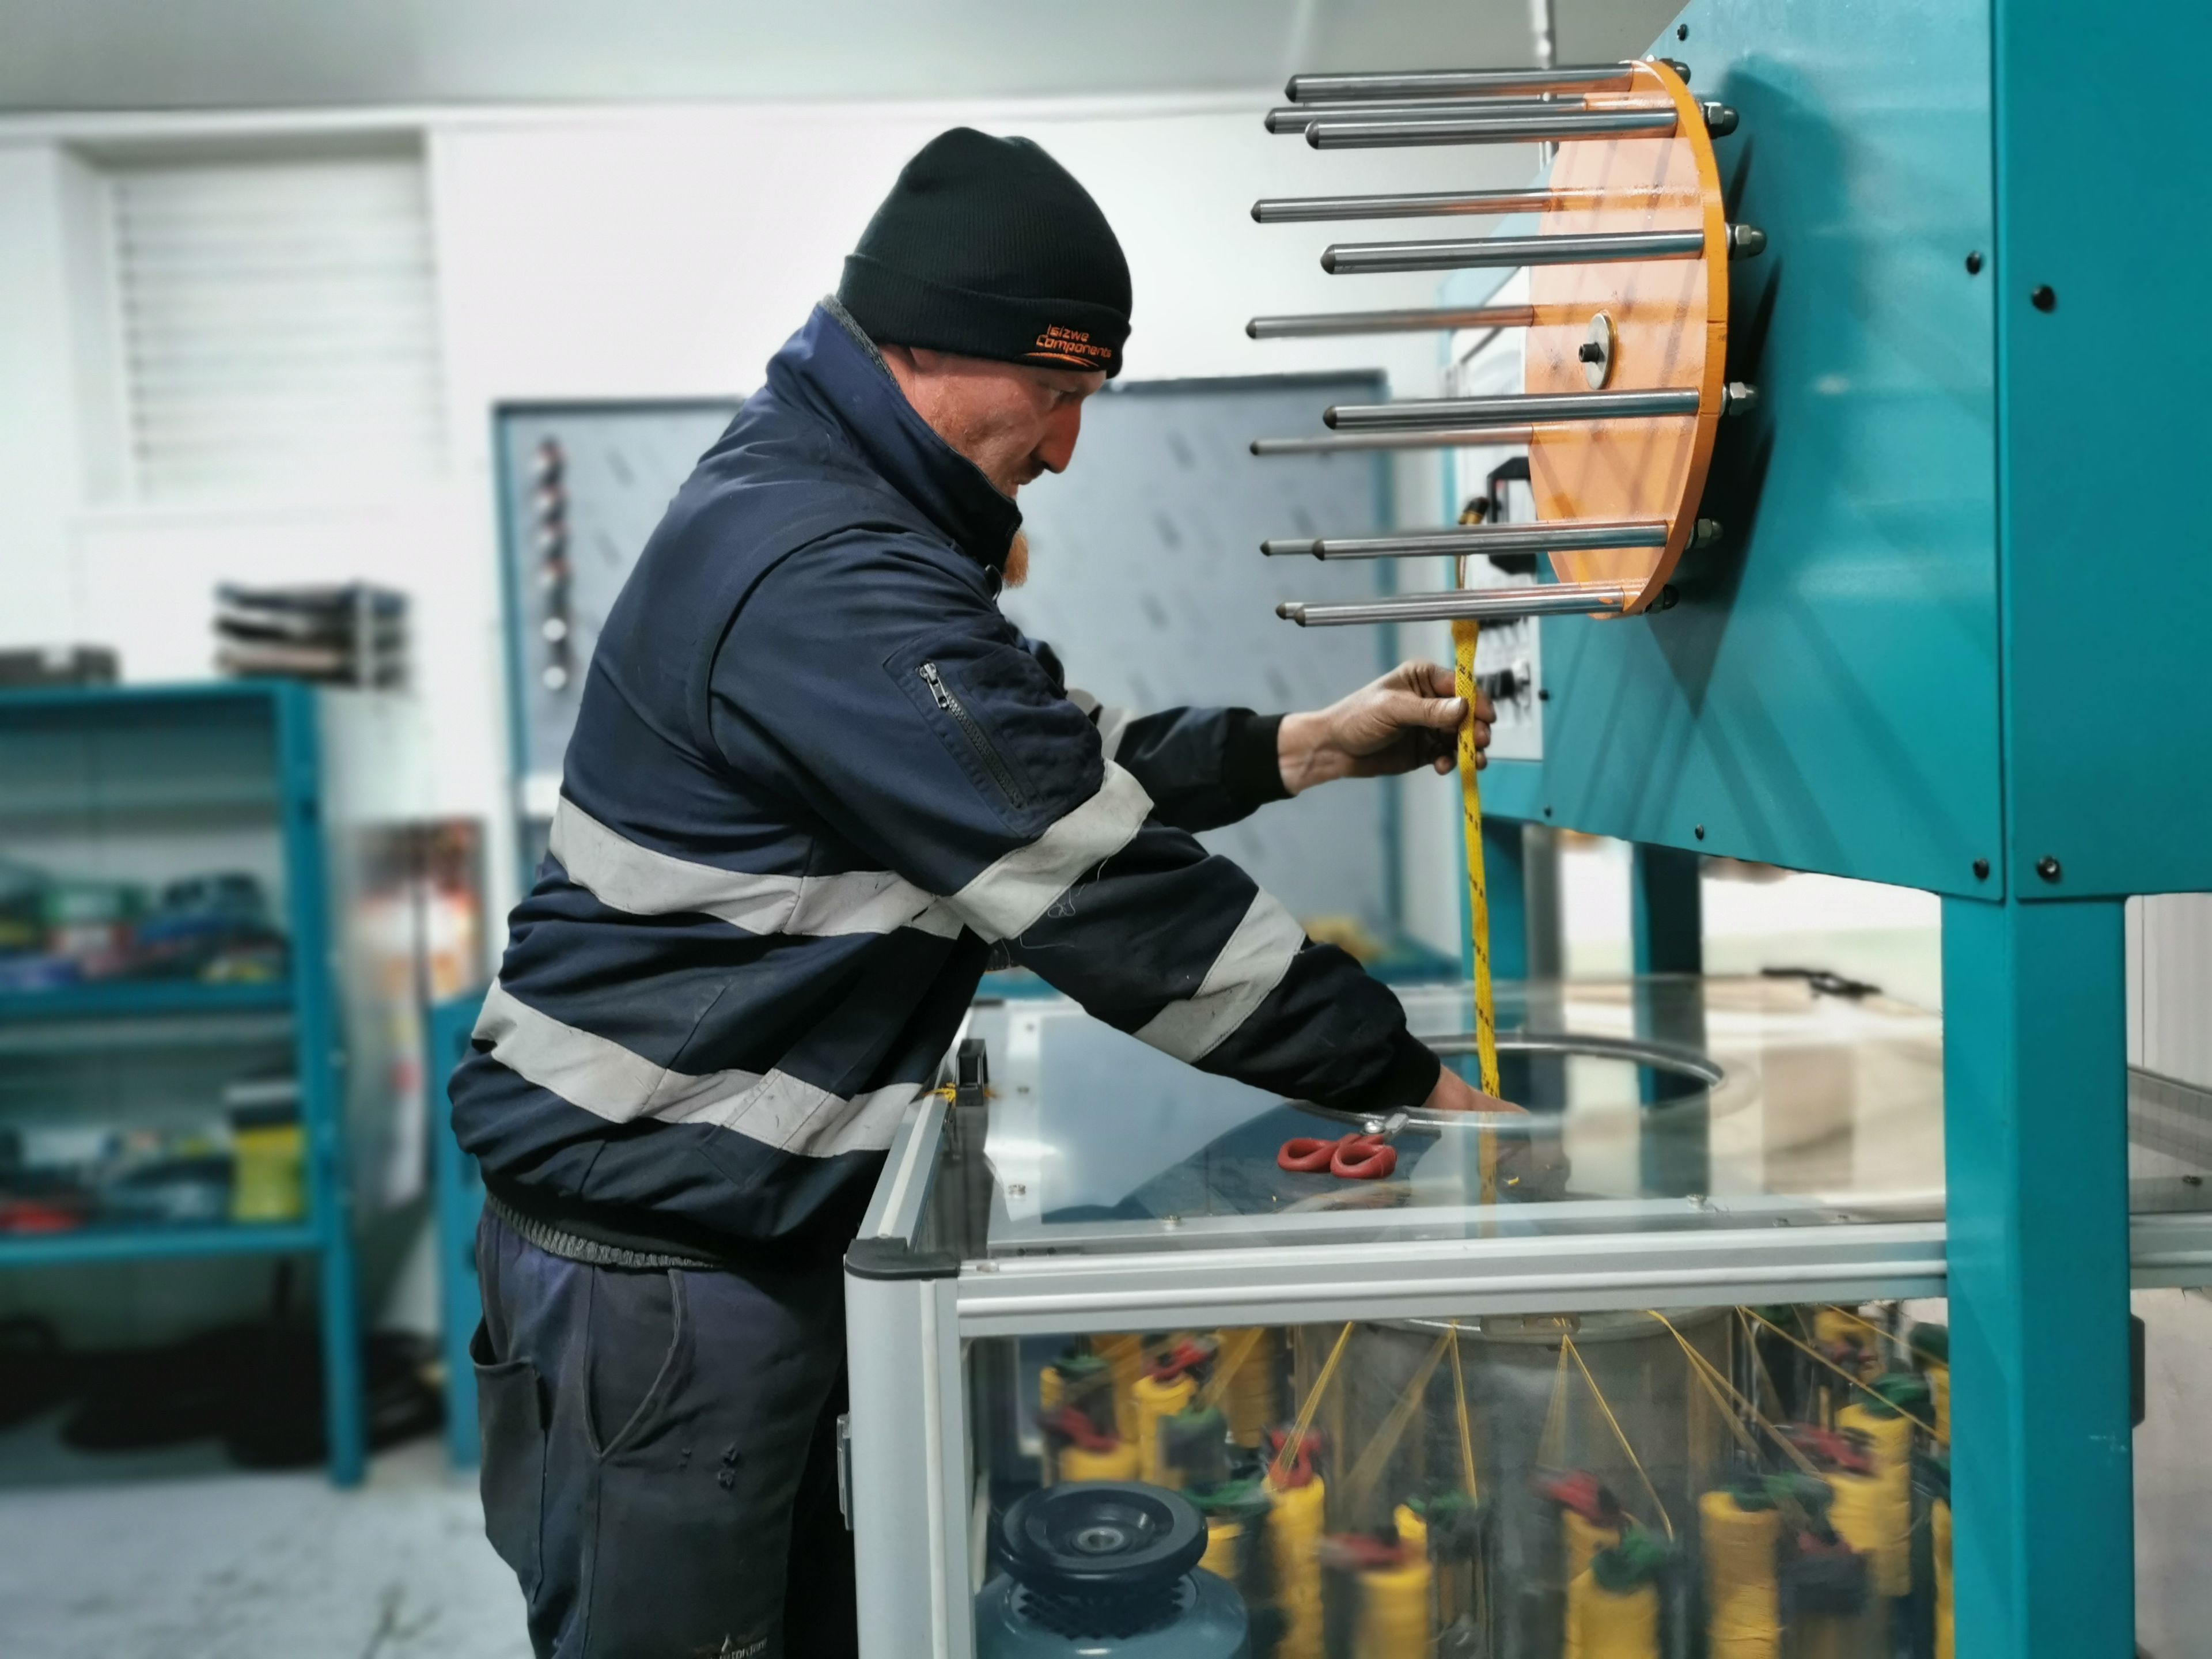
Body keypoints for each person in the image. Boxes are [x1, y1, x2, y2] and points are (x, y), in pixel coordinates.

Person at [450, 126, 1506, 1659]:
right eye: (1061, 393)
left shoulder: (836, 520)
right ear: (938, 348)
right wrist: (1413, 1085)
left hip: (711, 1244)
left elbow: (1041, 759)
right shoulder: (824, 567)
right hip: (657, 1276)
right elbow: (1111, 899)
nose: (1068, 448)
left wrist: (1310, 747)